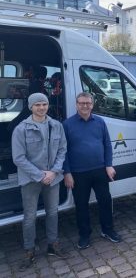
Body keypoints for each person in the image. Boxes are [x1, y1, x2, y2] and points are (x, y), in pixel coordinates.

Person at [12, 93, 68, 270]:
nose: (41, 107)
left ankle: (53, 244)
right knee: (30, 216)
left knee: (53, 212)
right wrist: (40, 175)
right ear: (30, 107)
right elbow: (19, 158)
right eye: (37, 105)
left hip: (53, 177)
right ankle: (29, 250)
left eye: (44, 104)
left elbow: (62, 150)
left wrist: (53, 172)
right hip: (30, 180)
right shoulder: (21, 129)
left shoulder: (56, 125)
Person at [63, 92, 122, 249]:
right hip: (78, 172)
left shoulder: (100, 122)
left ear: (92, 104)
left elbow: (107, 144)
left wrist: (108, 165)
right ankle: (84, 235)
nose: (85, 106)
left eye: (88, 103)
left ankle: (107, 230)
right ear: (76, 104)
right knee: (81, 205)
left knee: (105, 201)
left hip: (100, 170)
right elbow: (63, 151)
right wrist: (67, 172)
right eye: (82, 103)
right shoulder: (67, 124)